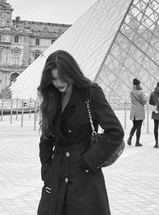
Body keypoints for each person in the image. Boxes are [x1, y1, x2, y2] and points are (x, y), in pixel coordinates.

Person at [37, 50, 124, 215]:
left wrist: (88, 161)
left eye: (62, 77)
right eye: (53, 79)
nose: (58, 83)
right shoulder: (51, 96)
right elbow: (46, 138)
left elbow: (115, 132)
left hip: (84, 177)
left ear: (72, 72)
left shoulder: (90, 93)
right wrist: (47, 169)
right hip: (56, 176)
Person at [127, 78, 147, 147]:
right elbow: (144, 101)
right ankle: (137, 142)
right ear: (137, 84)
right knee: (139, 127)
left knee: (134, 126)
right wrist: (146, 98)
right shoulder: (140, 92)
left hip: (133, 111)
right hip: (139, 111)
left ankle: (130, 137)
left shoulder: (131, 92)